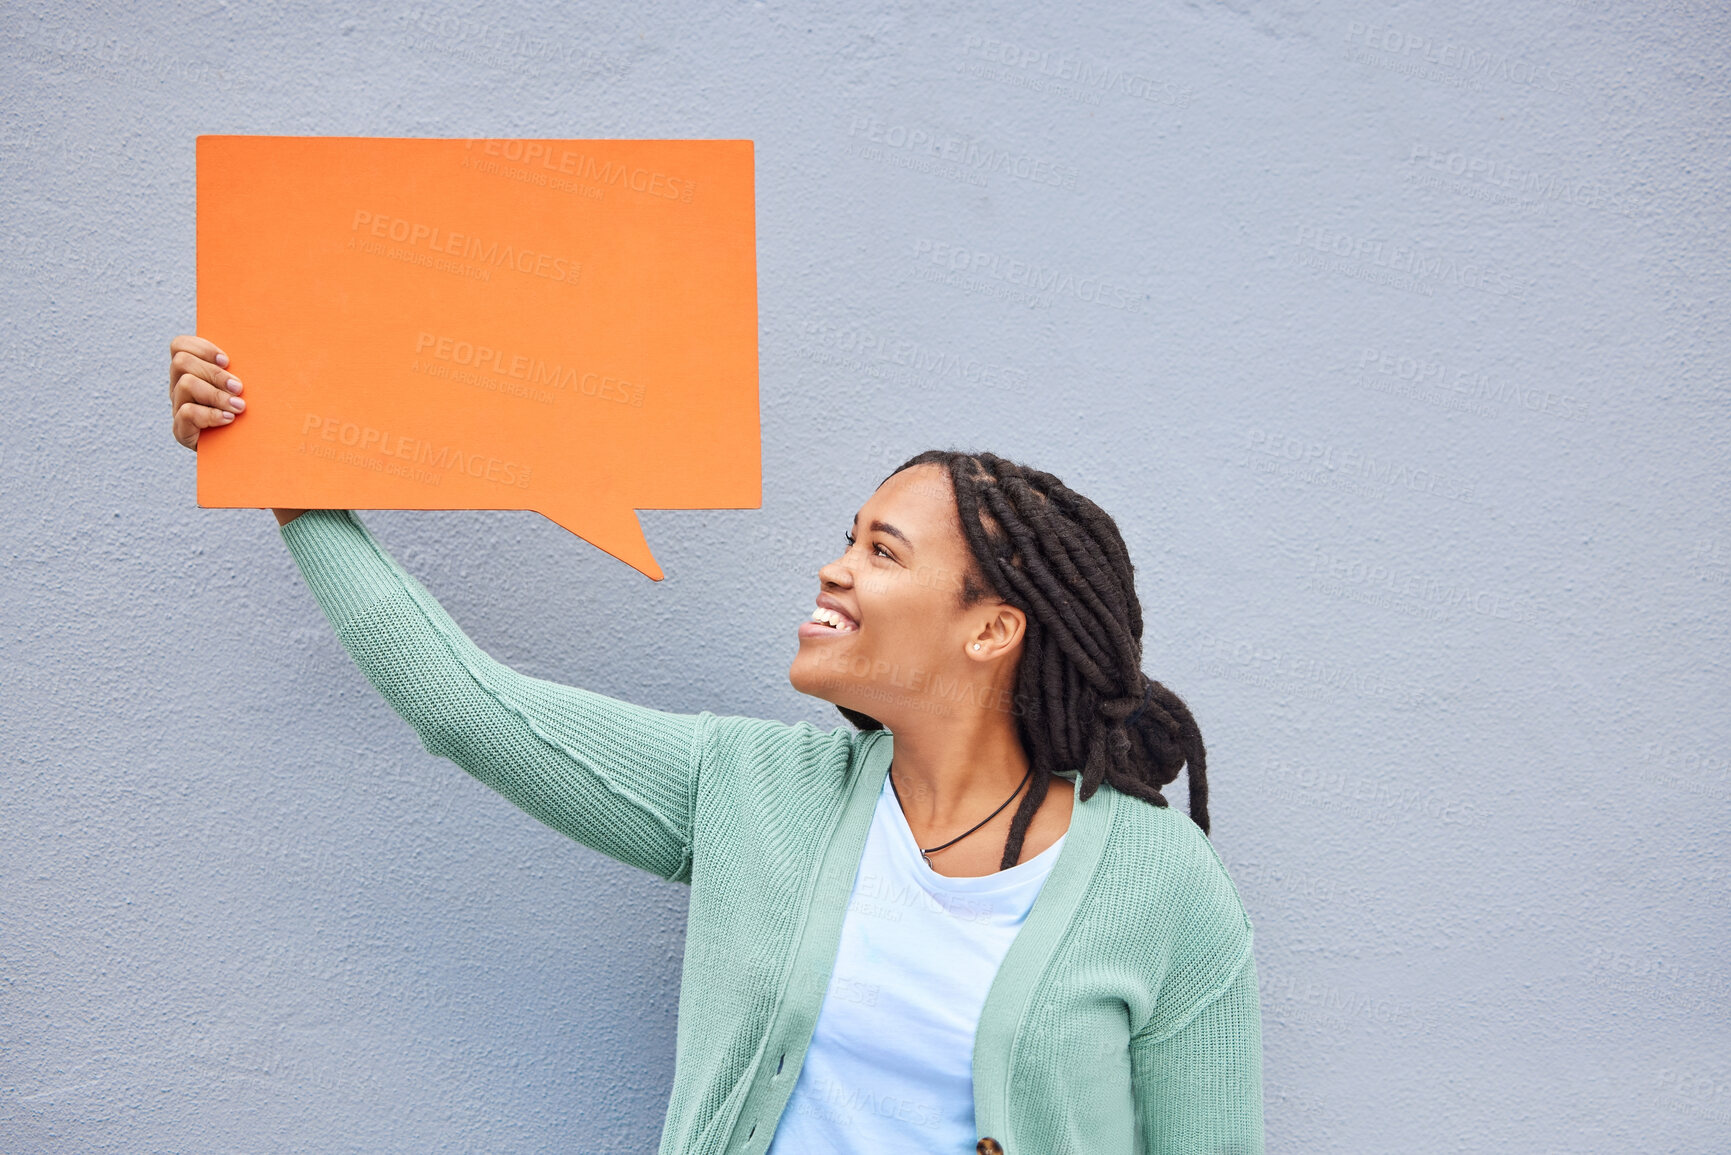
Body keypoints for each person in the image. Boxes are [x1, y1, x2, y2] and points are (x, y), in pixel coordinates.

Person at [169, 335, 1265, 1154]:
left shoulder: (1163, 887)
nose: (835, 569)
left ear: (992, 629)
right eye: (847, 539)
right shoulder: (750, 790)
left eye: (882, 552)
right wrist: (285, 472)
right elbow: (469, 708)